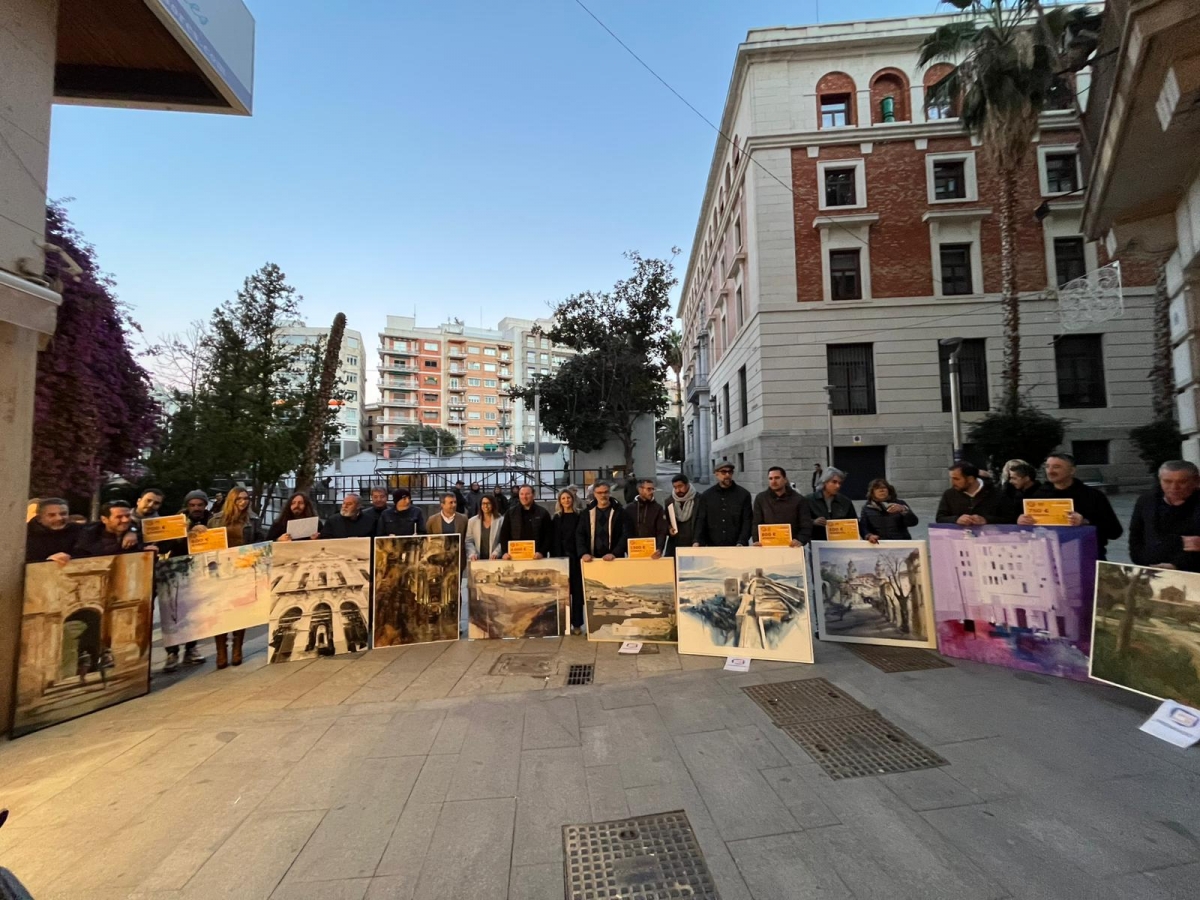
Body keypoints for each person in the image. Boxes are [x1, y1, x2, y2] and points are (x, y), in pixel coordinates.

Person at [1017, 452, 1123, 559]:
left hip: (1087, 556)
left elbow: (1115, 532)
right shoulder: (1036, 496)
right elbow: (1026, 533)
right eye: (1047, 467)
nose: (1050, 471)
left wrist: (1086, 522)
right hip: (1048, 557)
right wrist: (1021, 522)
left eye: (1056, 467)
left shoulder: (1093, 496)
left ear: (1072, 470)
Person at [203, 487, 264, 669]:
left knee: (240, 610)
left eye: (246, 499)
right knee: (220, 612)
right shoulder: (215, 520)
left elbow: (260, 542)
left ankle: (237, 649)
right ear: (232, 500)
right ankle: (221, 651)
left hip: (243, 568)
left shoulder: (253, 520)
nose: (243, 502)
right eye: (239, 499)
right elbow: (205, 544)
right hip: (221, 570)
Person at [1129, 460, 1200, 571]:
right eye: (1167, 481)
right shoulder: (1147, 500)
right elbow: (1136, 534)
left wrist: (1178, 565)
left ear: (1196, 480)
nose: (1174, 487)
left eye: (1182, 482)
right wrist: (1141, 561)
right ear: (1159, 480)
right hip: (1151, 568)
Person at [551, 490, 585, 634]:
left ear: (573, 499)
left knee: (577, 593)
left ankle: (577, 624)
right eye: (563, 498)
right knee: (563, 593)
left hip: (577, 559)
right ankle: (564, 624)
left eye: (568, 498)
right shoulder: (556, 518)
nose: (566, 500)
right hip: (562, 559)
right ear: (559, 501)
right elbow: (554, 540)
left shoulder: (580, 516)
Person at [694, 462, 753, 547]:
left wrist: (742, 541)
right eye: (723, 472)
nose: (727, 475)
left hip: (737, 546)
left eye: (730, 472)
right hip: (713, 546)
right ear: (716, 474)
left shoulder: (744, 495)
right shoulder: (707, 496)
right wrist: (697, 540)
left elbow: (747, 521)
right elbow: (701, 520)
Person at [751, 466, 813, 547]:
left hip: (792, 546)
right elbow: (756, 523)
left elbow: (806, 525)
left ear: (785, 479)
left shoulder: (799, 499)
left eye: (777, 478)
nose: (773, 481)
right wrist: (756, 540)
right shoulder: (761, 498)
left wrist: (800, 540)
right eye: (770, 478)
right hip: (767, 546)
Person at [934, 462, 1009, 526]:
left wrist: (986, 520)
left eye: (956, 479)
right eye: (952, 478)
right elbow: (940, 518)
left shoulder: (996, 493)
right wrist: (956, 519)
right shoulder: (949, 494)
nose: (953, 482)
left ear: (970, 479)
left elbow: (1008, 518)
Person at [74, 501, 152, 558]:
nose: (125, 520)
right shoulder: (88, 536)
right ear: (104, 519)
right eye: (119, 517)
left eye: (127, 516)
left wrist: (151, 553)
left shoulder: (139, 533)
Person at [498, 485, 551, 559]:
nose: (524, 497)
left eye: (527, 494)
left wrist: (542, 552)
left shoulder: (543, 513)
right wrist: (505, 552)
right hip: (514, 557)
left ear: (533, 495)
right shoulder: (510, 513)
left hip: (537, 557)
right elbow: (504, 535)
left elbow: (548, 536)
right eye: (522, 494)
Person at [577, 482, 625, 561]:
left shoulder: (620, 512)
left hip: (614, 558)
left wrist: (615, 553)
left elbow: (625, 534)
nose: (603, 495)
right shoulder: (586, 513)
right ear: (594, 494)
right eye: (599, 493)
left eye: (605, 492)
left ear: (609, 493)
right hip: (592, 559)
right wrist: (583, 553)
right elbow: (580, 534)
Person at [25, 497, 83, 563]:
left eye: (63, 514)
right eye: (52, 515)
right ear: (39, 519)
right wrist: (46, 562)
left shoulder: (80, 532)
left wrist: (71, 557)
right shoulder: (26, 535)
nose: (59, 518)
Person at [807, 467, 856, 542]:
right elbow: (799, 521)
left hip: (841, 543)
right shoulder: (809, 500)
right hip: (817, 542)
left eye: (840, 483)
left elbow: (854, 523)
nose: (837, 486)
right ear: (825, 482)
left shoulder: (845, 502)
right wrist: (813, 522)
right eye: (834, 482)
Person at [622, 478, 667, 558]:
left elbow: (661, 531)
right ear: (640, 489)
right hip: (633, 551)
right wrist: (626, 548)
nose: (652, 492)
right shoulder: (629, 509)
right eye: (649, 489)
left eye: (653, 489)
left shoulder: (658, 508)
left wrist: (659, 548)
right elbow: (625, 531)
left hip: (652, 552)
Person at [427, 492, 469, 567]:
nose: (454, 505)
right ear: (442, 504)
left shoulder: (463, 519)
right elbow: (428, 536)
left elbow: (467, 538)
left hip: (458, 561)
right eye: (451, 503)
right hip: (439, 561)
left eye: (455, 502)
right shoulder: (432, 520)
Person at [664, 474, 698, 556]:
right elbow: (667, 521)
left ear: (687, 485)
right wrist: (669, 529)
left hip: (693, 543)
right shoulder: (669, 501)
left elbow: (701, 522)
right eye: (675, 487)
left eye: (680, 486)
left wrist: (697, 540)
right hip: (675, 543)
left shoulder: (698, 500)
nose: (678, 490)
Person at [465, 495, 503, 561]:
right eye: (483, 503)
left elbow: (503, 541)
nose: (485, 506)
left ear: (493, 505)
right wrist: (472, 553)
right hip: (477, 560)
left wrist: (496, 553)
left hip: (495, 559)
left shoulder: (501, 520)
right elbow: (468, 541)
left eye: (488, 503)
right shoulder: (472, 521)